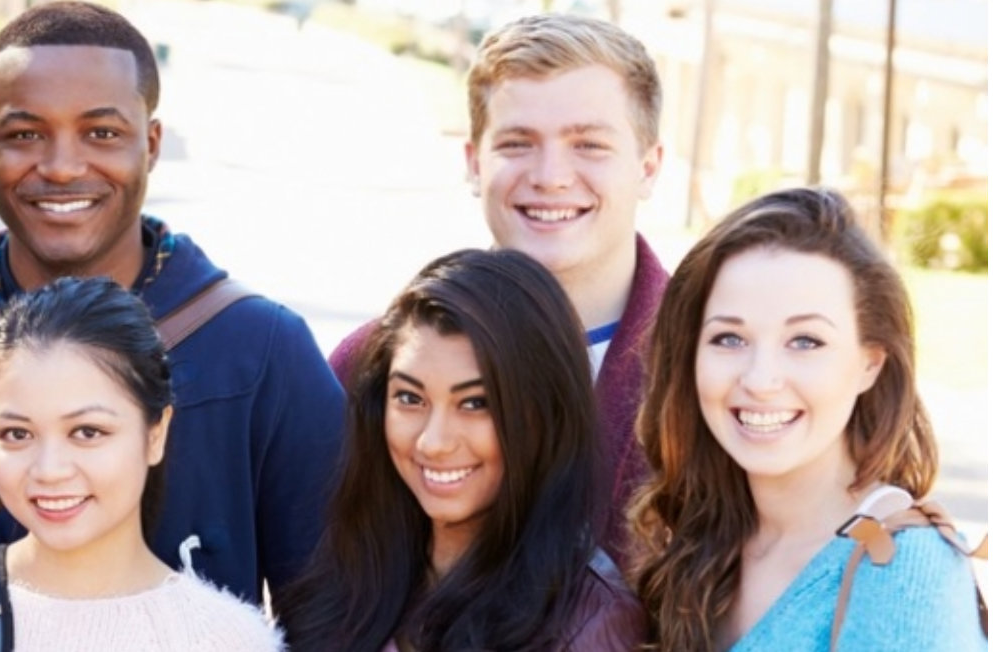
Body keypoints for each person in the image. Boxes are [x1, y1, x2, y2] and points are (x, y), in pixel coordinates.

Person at [0, 0, 345, 605]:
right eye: (25, 134)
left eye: (102, 133)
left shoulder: (263, 352)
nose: (63, 167)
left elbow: (331, 609)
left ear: (150, 145)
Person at [325, 13, 669, 559]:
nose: (551, 175)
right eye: (517, 143)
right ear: (473, 164)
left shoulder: (712, 375)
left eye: (589, 145)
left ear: (648, 167)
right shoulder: (369, 365)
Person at [0, 277, 285, 651]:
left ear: (155, 433)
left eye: (87, 432)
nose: (49, 470)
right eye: (17, 434)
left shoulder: (224, 640)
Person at [629, 188, 985, 650]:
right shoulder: (701, 543)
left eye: (805, 341)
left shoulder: (906, 574)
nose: (760, 379)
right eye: (730, 339)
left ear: (870, 364)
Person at [279, 249, 643, 651]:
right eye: (410, 398)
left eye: (475, 404)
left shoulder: (592, 625)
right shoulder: (353, 575)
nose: (433, 443)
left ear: (547, 416)